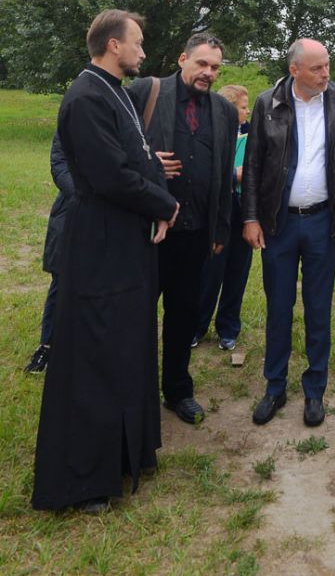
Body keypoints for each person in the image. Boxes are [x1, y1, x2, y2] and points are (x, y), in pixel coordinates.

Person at [32, 10, 179, 513]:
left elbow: (139, 159)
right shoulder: (86, 96)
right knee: (96, 355)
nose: (143, 51)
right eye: (137, 43)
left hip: (123, 243)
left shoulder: (111, 89)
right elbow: (111, 176)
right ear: (113, 46)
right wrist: (164, 203)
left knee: (125, 347)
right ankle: (85, 479)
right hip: (98, 247)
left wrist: (157, 190)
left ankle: (124, 453)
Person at [243, 38, 335, 428]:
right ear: (295, 70)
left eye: (328, 65)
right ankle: (274, 386)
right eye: (317, 68)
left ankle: (315, 390)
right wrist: (251, 218)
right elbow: (254, 166)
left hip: (322, 222)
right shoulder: (268, 104)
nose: (326, 73)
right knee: (278, 305)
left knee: (318, 307)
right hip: (278, 223)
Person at [129, 34, 237, 424]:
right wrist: (148, 162)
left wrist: (221, 231)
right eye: (202, 64)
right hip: (146, 233)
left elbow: (225, 175)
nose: (208, 73)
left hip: (195, 236)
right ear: (182, 59)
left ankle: (177, 391)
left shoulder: (224, 111)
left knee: (182, 316)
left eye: (215, 68)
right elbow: (115, 147)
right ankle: (133, 393)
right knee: (137, 316)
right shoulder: (146, 92)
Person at [193, 84, 252, 350]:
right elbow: (204, 172)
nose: (247, 111)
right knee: (209, 272)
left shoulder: (252, 137)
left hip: (244, 211)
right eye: (242, 107)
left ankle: (228, 327)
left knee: (237, 272)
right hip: (218, 211)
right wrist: (234, 175)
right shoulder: (211, 135)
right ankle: (197, 325)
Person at [25, 133, 78, 374]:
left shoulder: (115, 117)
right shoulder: (71, 117)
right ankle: (47, 345)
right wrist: (84, 198)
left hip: (108, 214)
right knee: (61, 280)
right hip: (72, 211)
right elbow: (59, 164)